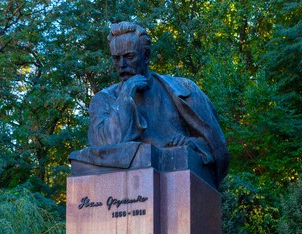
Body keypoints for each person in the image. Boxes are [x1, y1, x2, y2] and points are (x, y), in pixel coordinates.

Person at [75, 21, 228, 186]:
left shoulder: (184, 90)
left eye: (129, 56)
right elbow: (106, 149)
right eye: (116, 58)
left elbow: (217, 149)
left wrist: (192, 145)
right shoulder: (104, 99)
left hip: (177, 184)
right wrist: (126, 95)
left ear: (146, 56)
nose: (121, 65)